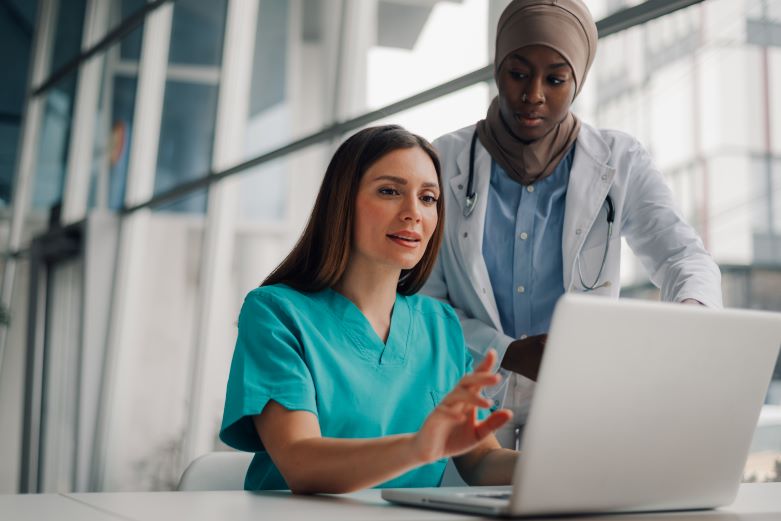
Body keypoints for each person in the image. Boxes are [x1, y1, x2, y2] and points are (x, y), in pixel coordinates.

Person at [423, 0, 723, 449]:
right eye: (518, 73)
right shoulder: (441, 161)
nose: (534, 95)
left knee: (570, 505)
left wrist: (691, 313)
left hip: (577, 389)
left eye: (556, 79)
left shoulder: (619, 160)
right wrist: (506, 351)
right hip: (470, 382)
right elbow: (423, 301)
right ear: (497, 68)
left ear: (578, 81)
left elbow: (682, 255)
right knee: (466, 508)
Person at [219, 125, 518, 493]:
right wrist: (418, 447)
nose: (413, 213)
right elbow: (300, 460)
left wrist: (576, 467)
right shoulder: (277, 314)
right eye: (389, 191)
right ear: (342, 202)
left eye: (428, 198)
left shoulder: (439, 325)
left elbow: (481, 461)